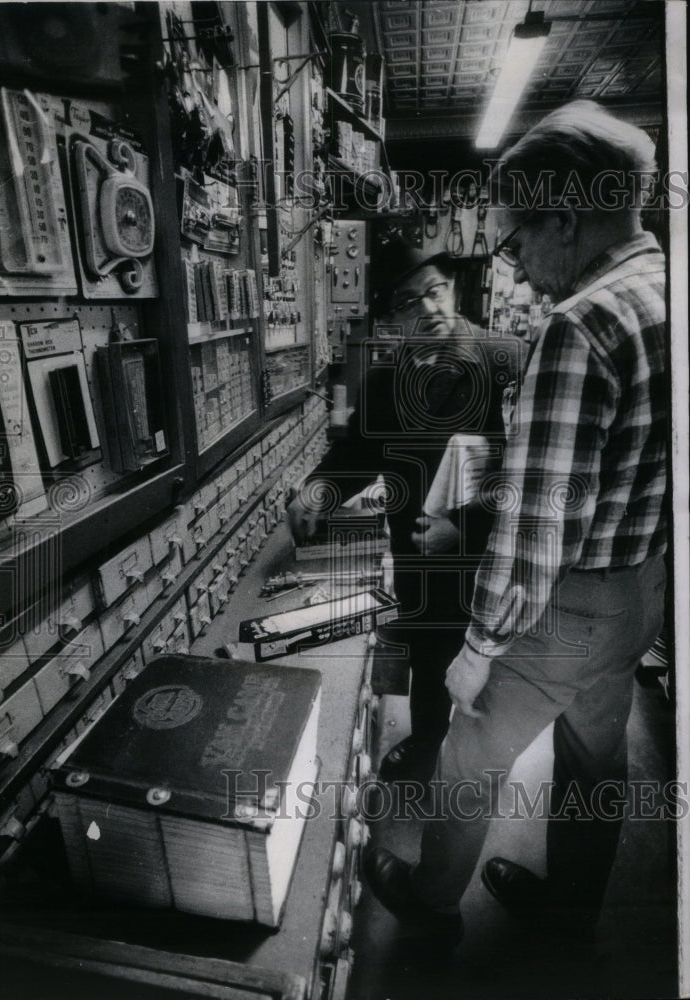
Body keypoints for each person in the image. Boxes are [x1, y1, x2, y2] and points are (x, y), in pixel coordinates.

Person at [364, 100, 668, 947]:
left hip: (558, 607)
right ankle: (569, 910)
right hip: (637, 590)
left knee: (466, 762)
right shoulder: (661, 291)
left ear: (565, 219)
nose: (519, 268)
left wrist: (478, 652)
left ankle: (426, 905)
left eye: (517, 240)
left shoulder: (577, 326)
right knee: (592, 760)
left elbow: (539, 525)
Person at [288, 241, 518, 783]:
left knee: (489, 678)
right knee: (428, 663)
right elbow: (355, 453)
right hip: (418, 561)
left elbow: (528, 471)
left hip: (487, 564)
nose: (431, 309)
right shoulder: (387, 382)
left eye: (436, 291)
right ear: (393, 318)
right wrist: (318, 492)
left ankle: (474, 773)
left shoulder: (506, 358)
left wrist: (462, 526)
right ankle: (423, 754)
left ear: (453, 289)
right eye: (412, 302)